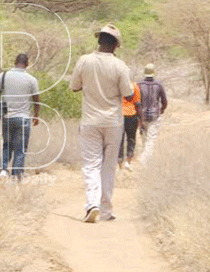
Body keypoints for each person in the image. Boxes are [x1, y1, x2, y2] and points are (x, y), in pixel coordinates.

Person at [70, 24, 133, 223]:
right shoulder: (120, 66)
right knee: (108, 167)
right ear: (116, 45)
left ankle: (92, 205)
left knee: (91, 165)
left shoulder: (84, 61)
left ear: (99, 41)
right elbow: (128, 93)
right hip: (113, 122)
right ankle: (106, 210)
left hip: (89, 121)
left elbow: (74, 87)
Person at [0, 53, 40, 178]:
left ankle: (3, 170)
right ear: (27, 64)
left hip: (7, 117)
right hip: (23, 118)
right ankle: (17, 176)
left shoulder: (3, 75)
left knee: (7, 145)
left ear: (15, 62)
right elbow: (36, 100)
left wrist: (1, 103)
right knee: (20, 149)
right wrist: (36, 115)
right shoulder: (31, 79)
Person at [137, 63, 167, 164]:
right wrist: (161, 110)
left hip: (142, 116)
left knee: (144, 138)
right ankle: (144, 161)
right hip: (154, 116)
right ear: (154, 73)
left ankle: (144, 159)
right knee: (151, 139)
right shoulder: (158, 85)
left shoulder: (139, 85)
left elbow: (136, 102)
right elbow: (164, 101)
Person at [118, 81, 141, 171]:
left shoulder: (118, 86)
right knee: (131, 138)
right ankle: (128, 161)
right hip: (132, 115)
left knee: (120, 139)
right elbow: (137, 103)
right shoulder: (135, 86)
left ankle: (119, 161)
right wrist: (140, 117)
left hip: (120, 115)